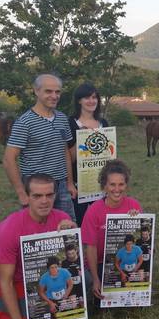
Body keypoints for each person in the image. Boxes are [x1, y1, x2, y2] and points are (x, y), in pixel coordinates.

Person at [0, 174, 75, 319]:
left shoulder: (63, 218)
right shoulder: (9, 228)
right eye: (37, 196)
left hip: (42, 277)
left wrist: (71, 234)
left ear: (55, 195)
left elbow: (72, 257)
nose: (44, 201)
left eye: (49, 195)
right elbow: (6, 281)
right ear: (27, 197)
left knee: (57, 315)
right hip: (11, 281)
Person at [4, 74, 77, 221]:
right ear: (36, 91)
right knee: (38, 229)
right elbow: (8, 159)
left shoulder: (62, 119)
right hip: (36, 187)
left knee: (67, 228)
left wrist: (69, 183)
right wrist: (21, 193)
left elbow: (65, 151)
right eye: (48, 91)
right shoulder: (25, 122)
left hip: (61, 185)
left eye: (57, 92)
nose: (54, 96)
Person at [81, 159, 142, 302]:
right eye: (112, 184)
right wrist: (96, 278)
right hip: (101, 262)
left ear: (126, 185)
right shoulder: (94, 211)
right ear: (104, 186)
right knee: (96, 293)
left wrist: (137, 221)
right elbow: (90, 247)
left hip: (124, 259)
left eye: (121, 184)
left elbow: (141, 242)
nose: (117, 189)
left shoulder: (134, 205)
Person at [68, 83, 109, 224]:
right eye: (87, 98)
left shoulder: (103, 122)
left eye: (94, 97)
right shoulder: (70, 123)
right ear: (79, 100)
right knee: (81, 222)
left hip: (101, 184)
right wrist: (82, 138)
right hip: (80, 185)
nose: (92, 101)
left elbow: (109, 153)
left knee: (102, 222)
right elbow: (68, 157)